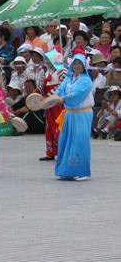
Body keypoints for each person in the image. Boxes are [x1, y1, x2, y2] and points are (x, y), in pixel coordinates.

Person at [54, 51, 93, 181]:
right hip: (70, 114)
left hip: (82, 113)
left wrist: (62, 99)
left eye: (80, 64)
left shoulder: (86, 80)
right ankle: (66, 170)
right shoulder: (68, 78)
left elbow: (77, 95)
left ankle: (82, 172)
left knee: (79, 140)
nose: (77, 66)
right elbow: (60, 90)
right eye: (75, 63)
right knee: (66, 141)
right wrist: (55, 97)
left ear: (84, 66)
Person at [41, 50, 66, 161]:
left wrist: (50, 97)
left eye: (48, 59)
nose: (46, 61)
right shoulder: (48, 72)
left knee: (58, 126)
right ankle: (50, 152)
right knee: (49, 127)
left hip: (57, 103)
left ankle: (62, 151)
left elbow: (62, 86)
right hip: (49, 103)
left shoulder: (63, 71)